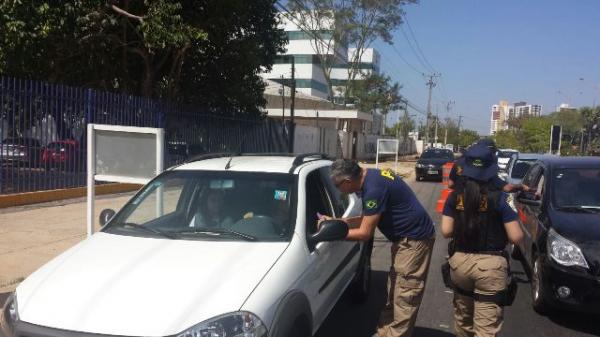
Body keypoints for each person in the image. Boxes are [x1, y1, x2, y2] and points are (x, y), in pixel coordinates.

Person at [325, 159, 435, 337]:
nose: (339, 191)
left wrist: (333, 233)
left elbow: (364, 233)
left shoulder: (374, 189)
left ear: (347, 181)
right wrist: (338, 222)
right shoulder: (372, 178)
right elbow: (368, 219)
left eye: (337, 186)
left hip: (414, 241)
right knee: (395, 291)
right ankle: (385, 333)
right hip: (405, 241)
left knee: (405, 295)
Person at [441, 143, 524, 337]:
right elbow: (516, 236)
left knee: (464, 322)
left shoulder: (455, 198)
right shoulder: (500, 198)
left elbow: (446, 231)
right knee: (485, 329)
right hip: (491, 268)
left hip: (460, 263)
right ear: (491, 169)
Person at [449, 139, 528, 193]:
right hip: (481, 209)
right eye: (493, 152)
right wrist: (521, 187)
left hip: (459, 204)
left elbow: (450, 184)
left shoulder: (459, 163)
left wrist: (461, 190)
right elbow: (507, 187)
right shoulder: (487, 168)